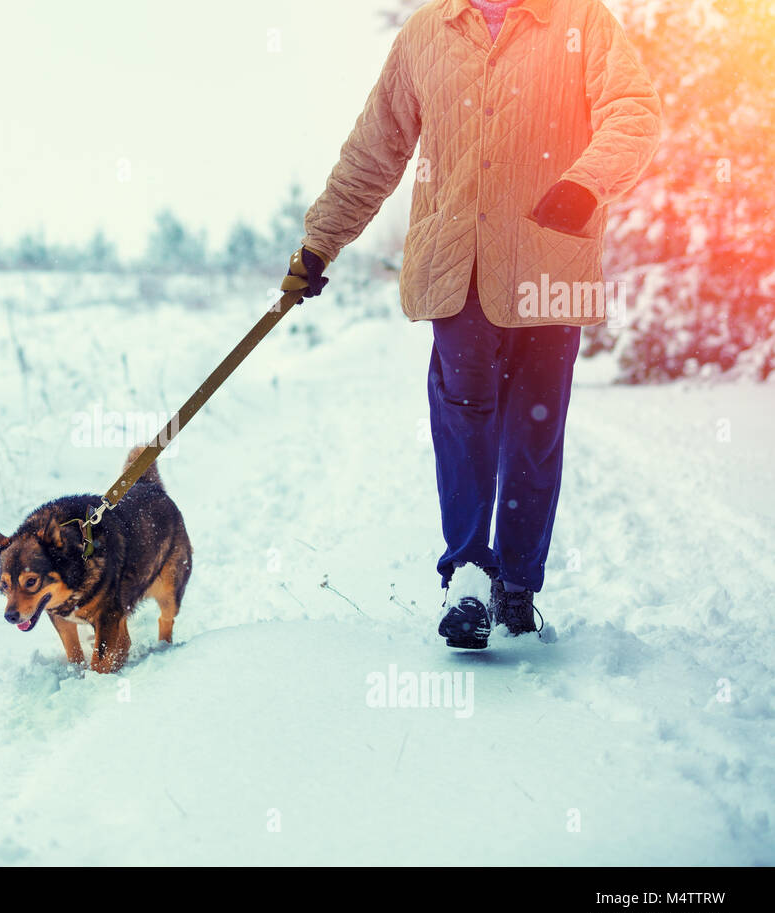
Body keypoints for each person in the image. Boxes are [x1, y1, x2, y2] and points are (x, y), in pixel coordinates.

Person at [281, 0, 661, 648]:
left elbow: (635, 112)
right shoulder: (428, 32)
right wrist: (321, 242)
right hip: (459, 268)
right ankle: (465, 572)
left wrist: (587, 182)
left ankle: (516, 583)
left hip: (550, 261)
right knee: (464, 417)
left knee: (535, 433)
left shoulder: (581, 21)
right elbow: (376, 151)